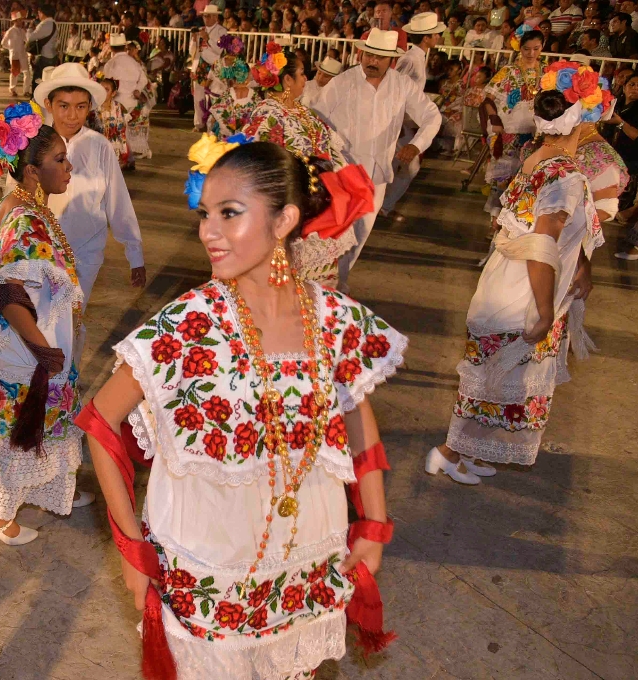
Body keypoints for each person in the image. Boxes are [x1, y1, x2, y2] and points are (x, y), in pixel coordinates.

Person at [77, 138, 398, 679]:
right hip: (212, 558)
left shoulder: (334, 317)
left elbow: (357, 418)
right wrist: (133, 552)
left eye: (229, 214)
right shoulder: (187, 324)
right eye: (205, 214)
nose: (207, 231)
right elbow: (99, 422)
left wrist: (375, 523)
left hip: (308, 552)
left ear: (284, 220)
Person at [426, 72, 605, 485]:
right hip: (523, 290)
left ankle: (460, 450)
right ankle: (448, 451)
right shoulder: (565, 175)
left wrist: (579, 267)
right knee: (492, 377)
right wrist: (544, 312)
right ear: (582, 124)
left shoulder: (535, 158)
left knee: (490, 375)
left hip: (504, 281)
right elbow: (543, 244)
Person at [0, 109, 90, 545]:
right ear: (34, 170)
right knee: (18, 434)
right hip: (25, 354)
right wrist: (45, 351)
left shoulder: (19, 204)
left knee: (41, 427)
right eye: (60, 159)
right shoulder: (26, 219)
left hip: (26, 348)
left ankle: (42, 488)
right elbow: (8, 294)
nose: (68, 167)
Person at [313, 28, 441, 291]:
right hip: (341, 173)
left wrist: (416, 145)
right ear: (361, 53)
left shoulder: (402, 85)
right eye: (368, 54)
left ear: (391, 60)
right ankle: (323, 287)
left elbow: (432, 116)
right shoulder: (343, 82)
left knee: (358, 237)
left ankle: (338, 287)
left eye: (379, 57)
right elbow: (316, 117)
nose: (372, 61)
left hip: (377, 176)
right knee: (331, 234)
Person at [240, 46, 366, 288]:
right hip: (292, 208)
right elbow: (259, 166)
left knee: (318, 286)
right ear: (287, 79)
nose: (305, 78)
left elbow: (331, 150)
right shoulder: (267, 115)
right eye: (301, 73)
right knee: (291, 286)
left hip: (319, 205)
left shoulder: (302, 111)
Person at [36, 63, 145, 306]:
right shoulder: (35, 144)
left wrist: (134, 254)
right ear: (49, 105)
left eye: (80, 107)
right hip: (39, 249)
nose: (72, 115)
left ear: (90, 108)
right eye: (63, 106)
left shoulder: (100, 146)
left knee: (71, 319)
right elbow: (15, 196)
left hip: (86, 252)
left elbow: (118, 202)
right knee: (40, 321)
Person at [380, 12, 445, 221]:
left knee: (399, 166)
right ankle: (382, 206)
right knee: (403, 167)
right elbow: (395, 91)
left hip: (406, 122)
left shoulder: (417, 57)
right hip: (400, 122)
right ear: (426, 37)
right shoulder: (411, 60)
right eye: (435, 34)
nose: (438, 37)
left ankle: (383, 205)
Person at [481, 29, 545, 220]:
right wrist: (494, 119)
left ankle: (514, 219)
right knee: (504, 175)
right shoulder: (508, 71)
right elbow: (488, 99)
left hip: (536, 131)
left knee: (526, 176)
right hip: (510, 130)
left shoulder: (547, 73)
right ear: (520, 48)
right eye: (527, 49)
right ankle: (495, 218)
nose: (531, 54)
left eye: (536, 49)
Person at [101, 34, 150, 166]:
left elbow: (107, 83)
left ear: (111, 48)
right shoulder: (134, 62)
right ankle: (129, 159)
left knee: (118, 133)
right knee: (124, 132)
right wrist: (137, 89)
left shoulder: (111, 64)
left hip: (117, 102)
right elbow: (144, 79)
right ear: (124, 47)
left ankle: (125, 159)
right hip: (132, 102)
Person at [602, 73, 638, 189]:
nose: (635, 88)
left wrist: (620, 123)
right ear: (624, 87)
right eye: (632, 84)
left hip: (630, 160)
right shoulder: (616, 103)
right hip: (609, 154)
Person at [206, 42, 256, 139]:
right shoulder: (255, 96)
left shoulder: (226, 96)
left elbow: (213, 119)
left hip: (227, 140)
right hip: (244, 140)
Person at [190, 5, 227, 131]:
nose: (206, 18)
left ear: (216, 17)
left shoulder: (221, 31)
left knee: (214, 95)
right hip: (200, 65)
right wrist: (194, 41)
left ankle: (213, 124)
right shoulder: (201, 30)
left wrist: (208, 39)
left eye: (208, 16)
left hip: (213, 65)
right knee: (198, 95)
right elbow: (192, 52)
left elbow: (219, 50)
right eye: (204, 16)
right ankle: (199, 123)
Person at [28, 5, 59, 92]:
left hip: (44, 56)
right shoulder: (54, 23)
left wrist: (30, 28)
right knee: (47, 80)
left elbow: (30, 37)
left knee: (37, 80)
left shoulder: (45, 24)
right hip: (52, 55)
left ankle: (35, 100)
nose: (38, 15)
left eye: (39, 13)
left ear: (42, 13)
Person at [3, 11, 28, 97]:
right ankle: (12, 89)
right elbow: (3, 43)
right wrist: (11, 48)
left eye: (21, 20)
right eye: (19, 20)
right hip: (14, 55)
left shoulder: (22, 31)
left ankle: (26, 90)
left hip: (23, 54)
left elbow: (27, 40)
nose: (21, 22)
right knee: (15, 73)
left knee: (27, 72)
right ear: (15, 21)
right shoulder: (10, 31)